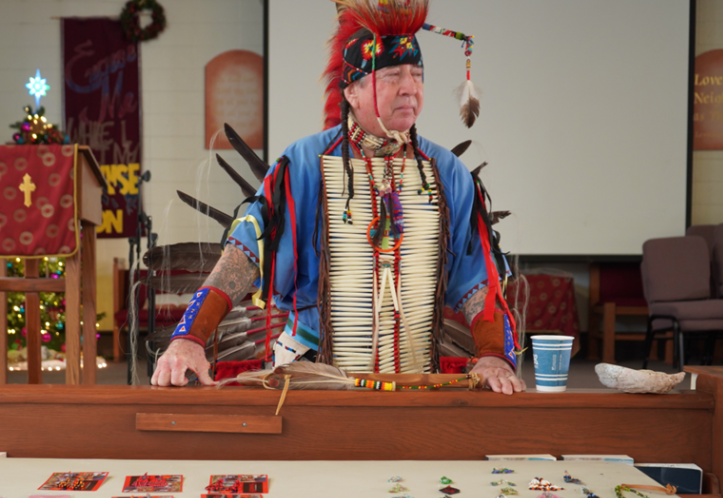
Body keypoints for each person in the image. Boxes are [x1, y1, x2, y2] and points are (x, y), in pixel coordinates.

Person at [153, 0, 524, 394]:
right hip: (310, 377)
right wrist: (188, 338)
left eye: (417, 75)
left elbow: (477, 278)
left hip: (415, 382)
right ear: (352, 91)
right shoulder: (303, 165)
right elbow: (245, 253)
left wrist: (494, 354)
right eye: (392, 75)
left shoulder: (447, 173)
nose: (410, 88)